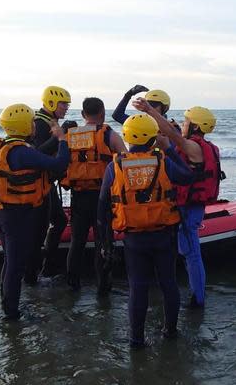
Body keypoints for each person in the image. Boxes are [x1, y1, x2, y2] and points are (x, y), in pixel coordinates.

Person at [97, 113, 194, 348]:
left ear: (128, 137)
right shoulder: (163, 161)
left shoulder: (115, 165)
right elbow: (188, 176)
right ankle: (170, 331)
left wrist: (106, 241)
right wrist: (169, 149)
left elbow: (103, 207)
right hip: (163, 235)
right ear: (153, 137)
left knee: (138, 287)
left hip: (134, 238)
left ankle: (136, 339)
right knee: (168, 283)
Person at [0, 103, 69, 320]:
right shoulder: (20, 152)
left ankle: (7, 303)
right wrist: (62, 139)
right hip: (17, 216)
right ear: (24, 126)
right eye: (30, 123)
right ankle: (11, 313)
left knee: (11, 261)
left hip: (2, 213)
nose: (34, 127)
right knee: (15, 265)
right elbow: (59, 164)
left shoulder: (2, 146)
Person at [134, 99, 224, 309]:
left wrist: (149, 110)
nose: (182, 125)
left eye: (186, 122)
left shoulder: (192, 146)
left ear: (195, 126)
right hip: (190, 206)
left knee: (192, 253)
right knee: (187, 252)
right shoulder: (209, 147)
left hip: (189, 209)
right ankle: (194, 294)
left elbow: (171, 135)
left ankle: (198, 299)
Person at [60, 97, 127, 293]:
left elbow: (61, 162)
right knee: (103, 241)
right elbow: (125, 159)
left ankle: (72, 285)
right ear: (103, 113)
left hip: (78, 195)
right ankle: (103, 288)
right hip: (102, 197)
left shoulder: (71, 136)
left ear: (82, 114)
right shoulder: (109, 135)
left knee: (77, 241)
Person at [29, 85, 72, 282]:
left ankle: (45, 268)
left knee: (58, 221)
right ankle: (38, 271)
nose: (66, 108)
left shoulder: (48, 121)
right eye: (63, 104)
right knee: (43, 227)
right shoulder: (40, 123)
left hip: (46, 182)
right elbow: (37, 153)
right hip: (39, 185)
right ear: (52, 102)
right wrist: (59, 136)